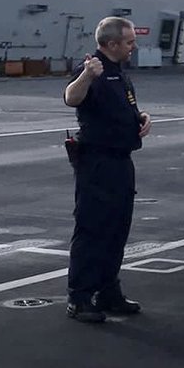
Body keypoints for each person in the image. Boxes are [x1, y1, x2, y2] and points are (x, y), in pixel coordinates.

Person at [63, 17, 152, 323]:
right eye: (129, 42)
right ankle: (79, 297)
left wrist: (141, 117)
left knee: (116, 229)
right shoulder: (93, 69)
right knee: (92, 230)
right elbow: (71, 97)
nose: (133, 46)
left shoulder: (117, 72)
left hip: (120, 161)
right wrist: (87, 76)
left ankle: (108, 290)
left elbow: (120, 109)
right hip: (97, 163)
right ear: (112, 44)